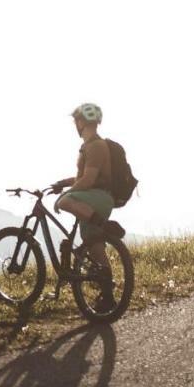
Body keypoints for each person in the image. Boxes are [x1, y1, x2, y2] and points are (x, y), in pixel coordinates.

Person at [52, 102, 124, 311]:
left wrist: (66, 194)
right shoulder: (90, 146)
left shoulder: (96, 146)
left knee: (65, 201)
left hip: (98, 198)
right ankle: (108, 297)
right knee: (96, 249)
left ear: (81, 122)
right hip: (95, 198)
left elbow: (89, 180)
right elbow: (82, 177)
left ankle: (104, 225)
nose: (76, 124)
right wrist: (63, 183)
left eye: (76, 120)